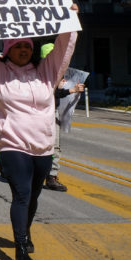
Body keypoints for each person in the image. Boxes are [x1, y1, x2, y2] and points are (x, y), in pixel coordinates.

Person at [0, 3, 78, 260]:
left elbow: (63, 49)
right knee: (22, 194)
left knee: (34, 196)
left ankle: (25, 232)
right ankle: (21, 249)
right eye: (17, 46)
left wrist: (71, 20)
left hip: (43, 147)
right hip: (11, 145)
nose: (23, 50)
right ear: (8, 49)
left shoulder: (47, 73)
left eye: (27, 46)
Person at [38, 43, 85, 193]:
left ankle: (51, 176)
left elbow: (56, 94)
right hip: (40, 115)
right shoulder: (40, 74)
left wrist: (73, 89)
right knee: (41, 146)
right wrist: (69, 90)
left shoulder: (58, 71)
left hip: (53, 113)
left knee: (54, 146)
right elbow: (48, 94)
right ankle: (39, 175)